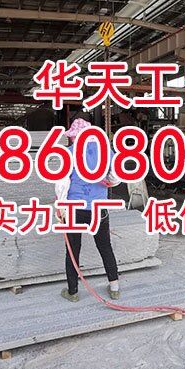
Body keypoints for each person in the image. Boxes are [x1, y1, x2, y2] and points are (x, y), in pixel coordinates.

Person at [56, 113, 120, 302]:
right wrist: (108, 182)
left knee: (73, 250)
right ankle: (115, 288)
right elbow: (116, 176)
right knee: (105, 246)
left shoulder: (69, 153)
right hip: (99, 208)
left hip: (75, 208)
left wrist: (61, 206)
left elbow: (62, 183)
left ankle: (73, 292)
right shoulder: (105, 151)